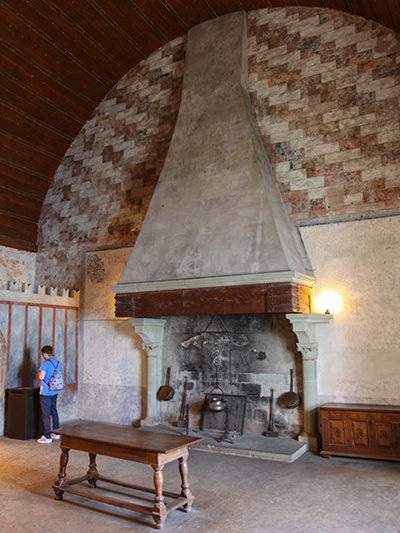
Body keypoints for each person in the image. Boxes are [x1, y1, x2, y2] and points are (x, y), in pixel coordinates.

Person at [37, 345, 61, 443]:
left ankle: (47, 436)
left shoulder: (46, 363)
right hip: (54, 390)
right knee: (54, 411)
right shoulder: (57, 363)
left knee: (46, 414)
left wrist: (39, 373)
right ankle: (56, 433)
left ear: (45, 354)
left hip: (46, 391)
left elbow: (41, 377)